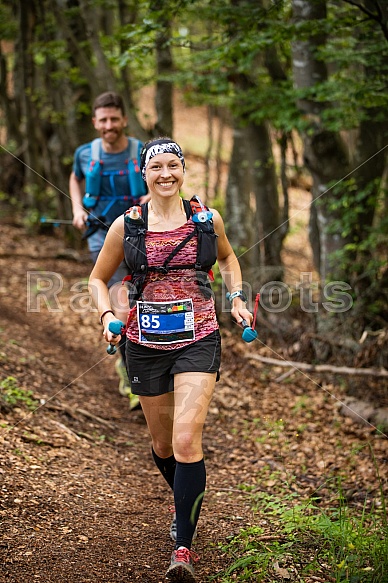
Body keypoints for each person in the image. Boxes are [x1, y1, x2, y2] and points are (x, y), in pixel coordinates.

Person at [88, 137, 253, 582]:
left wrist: (236, 297)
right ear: (143, 172)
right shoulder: (128, 225)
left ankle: (184, 547)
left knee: (185, 443)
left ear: (184, 169)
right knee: (163, 446)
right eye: (156, 166)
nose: (166, 174)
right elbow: (98, 278)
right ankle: (185, 499)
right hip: (142, 343)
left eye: (173, 166)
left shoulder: (205, 219)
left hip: (199, 337)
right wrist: (107, 314)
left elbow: (229, 258)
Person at [69, 91, 150, 409]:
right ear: (95, 122)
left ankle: (149, 370)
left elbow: (161, 181)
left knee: (145, 307)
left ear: (124, 120)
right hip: (102, 239)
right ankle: (132, 380)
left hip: (141, 237)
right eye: (103, 120)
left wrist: (150, 199)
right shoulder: (85, 154)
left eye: (114, 119)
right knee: (122, 309)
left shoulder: (140, 151)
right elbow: (75, 179)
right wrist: (77, 209)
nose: (109, 125)